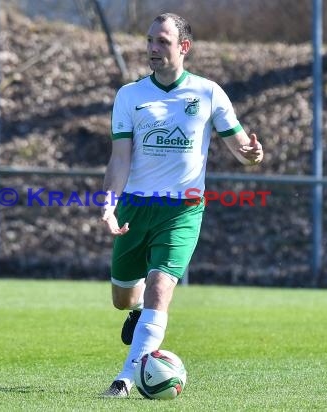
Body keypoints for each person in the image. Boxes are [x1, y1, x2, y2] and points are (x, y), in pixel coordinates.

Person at [99, 13, 263, 397]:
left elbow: (242, 149)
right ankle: (138, 315)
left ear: (183, 47)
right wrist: (108, 204)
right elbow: (119, 159)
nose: (153, 48)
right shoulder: (130, 96)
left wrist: (252, 155)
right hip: (135, 209)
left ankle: (126, 378)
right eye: (150, 41)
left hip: (183, 209)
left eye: (162, 42)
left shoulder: (208, 93)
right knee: (124, 297)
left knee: (160, 286)